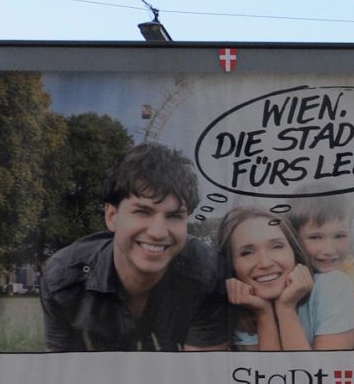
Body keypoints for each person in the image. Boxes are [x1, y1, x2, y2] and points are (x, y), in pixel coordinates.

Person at [40, 142, 233, 352]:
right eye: (142, 212)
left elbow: (200, 375)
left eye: (174, 216)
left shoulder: (208, 272)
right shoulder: (62, 279)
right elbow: (67, 373)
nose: (158, 232)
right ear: (112, 216)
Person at [217, 206, 354, 351]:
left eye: (277, 246)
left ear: (294, 251)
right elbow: (271, 372)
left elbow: (321, 373)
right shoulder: (240, 302)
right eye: (247, 253)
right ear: (231, 264)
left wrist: (286, 309)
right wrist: (264, 314)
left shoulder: (332, 285)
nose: (265, 263)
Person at [290, 200, 354, 348]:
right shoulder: (287, 265)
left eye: (339, 236)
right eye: (316, 237)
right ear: (293, 237)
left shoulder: (348, 271)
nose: (329, 250)